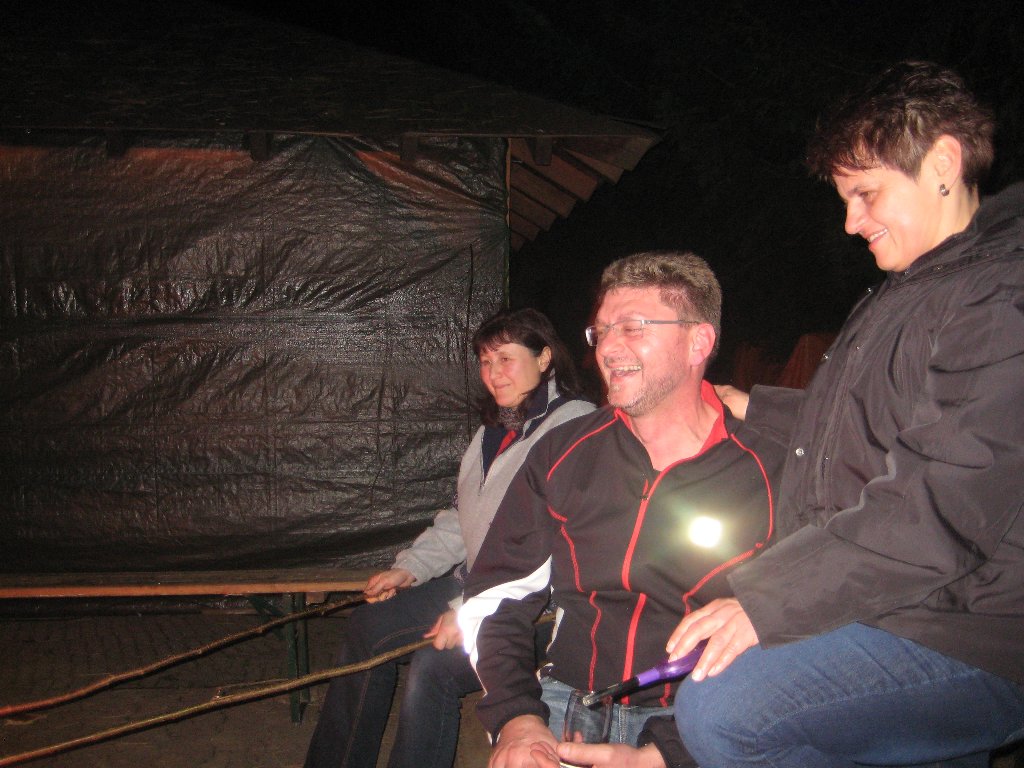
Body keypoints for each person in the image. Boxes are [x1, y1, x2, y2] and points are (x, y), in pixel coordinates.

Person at [661, 61, 1024, 768]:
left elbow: (937, 506)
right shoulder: (914, 287)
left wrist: (773, 600)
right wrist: (749, 407)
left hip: (970, 623)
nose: (852, 223)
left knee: (725, 708)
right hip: (907, 604)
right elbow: (866, 425)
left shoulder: (999, 293)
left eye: (865, 193)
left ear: (942, 163)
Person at [457, 251, 786, 768]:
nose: (608, 348)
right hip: (569, 705)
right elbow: (497, 593)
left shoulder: (771, 466)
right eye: (602, 331)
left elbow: (802, 623)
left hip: (699, 720)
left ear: (699, 341)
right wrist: (515, 717)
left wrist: (674, 752)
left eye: (633, 328)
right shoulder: (564, 452)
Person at [303, 308, 594, 768]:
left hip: (538, 606)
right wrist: (410, 568)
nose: (493, 373)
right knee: (367, 627)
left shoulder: (575, 427)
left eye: (506, 358)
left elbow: (555, 545)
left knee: (432, 668)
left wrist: (467, 610)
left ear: (544, 358)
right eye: (485, 361)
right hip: (473, 586)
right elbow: (461, 518)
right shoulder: (492, 431)